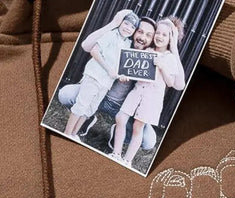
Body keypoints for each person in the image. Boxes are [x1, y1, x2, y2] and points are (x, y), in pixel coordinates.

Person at [58, 11, 186, 150]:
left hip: (123, 108)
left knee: (149, 141)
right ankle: (85, 119)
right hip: (100, 92)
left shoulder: (154, 56)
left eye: (148, 35)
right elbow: (86, 46)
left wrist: (174, 48)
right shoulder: (123, 42)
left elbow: (179, 85)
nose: (142, 37)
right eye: (140, 31)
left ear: (153, 39)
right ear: (133, 31)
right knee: (65, 94)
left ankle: (118, 134)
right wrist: (113, 23)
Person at [110, 17, 185, 168]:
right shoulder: (148, 51)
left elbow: (171, 83)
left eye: (164, 35)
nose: (159, 36)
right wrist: (126, 73)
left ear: (171, 39)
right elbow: (136, 70)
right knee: (120, 117)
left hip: (152, 99)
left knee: (138, 128)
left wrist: (162, 66)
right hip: (137, 92)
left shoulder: (170, 58)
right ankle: (116, 153)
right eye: (158, 33)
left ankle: (127, 160)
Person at [63, 12, 139, 141]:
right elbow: (94, 51)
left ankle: (74, 134)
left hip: (107, 82)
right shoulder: (111, 34)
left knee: (91, 108)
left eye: (132, 27)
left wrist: (121, 74)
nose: (128, 28)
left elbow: (120, 64)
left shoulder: (127, 43)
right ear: (120, 22)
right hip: (95, 75)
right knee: (82, 105)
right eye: (126, 23)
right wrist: (109, 70)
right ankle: (67, 133)